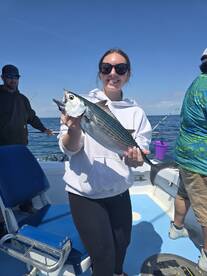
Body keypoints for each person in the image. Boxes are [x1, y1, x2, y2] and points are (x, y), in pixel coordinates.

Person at [58, 48, 152, 276]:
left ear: (128, 75)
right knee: (103, 256)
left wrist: (136, 161)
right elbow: (70, 149)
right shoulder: (83, 105)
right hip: (86, 195)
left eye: (120, 68)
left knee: (122, 245)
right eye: (106, 68)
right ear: (100, 74)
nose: (113, 73)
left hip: (119, 191)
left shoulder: (136, 112)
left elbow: (137, 161)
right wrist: (74, 128)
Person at [0, 64, 53, 235]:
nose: (13, 80)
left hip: (20, 148)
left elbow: (32, 117)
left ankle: (26, 206)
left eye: (16, 77)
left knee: (22, 178)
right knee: (3, 185)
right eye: (9, 76)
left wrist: (44, 129)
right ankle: (2, 219)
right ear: (2, 77)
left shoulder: (23, 99)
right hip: (1, 149)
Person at [168, 48, 207, 272]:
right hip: (202, 160)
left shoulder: (196, 83)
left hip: (185, 154)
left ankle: (177, 227)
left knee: (184, 192)